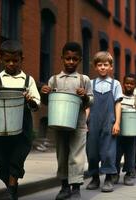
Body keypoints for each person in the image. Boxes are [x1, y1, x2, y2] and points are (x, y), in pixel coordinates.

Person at [0, 40, 41, 200]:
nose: (11, 64)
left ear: (22, 59)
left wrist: (30, 100)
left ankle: (12, 191)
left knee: (16, 158)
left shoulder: (28, 80)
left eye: (15, 60)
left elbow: (37, 103)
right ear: (1, 59)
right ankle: (11, 184)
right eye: (7, 61)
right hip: (0, 128)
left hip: (22, 128)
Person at [41, 42, 93, 200]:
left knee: (76, 156)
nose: (71, 62)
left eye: (75, 59)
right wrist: (44, 93)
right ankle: (64, 187)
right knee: (62, 155)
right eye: (68, 58)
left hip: (78, 124)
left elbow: (91, 101)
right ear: (62, 58)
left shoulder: (84, 80)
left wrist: (84, 95)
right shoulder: (54, 80)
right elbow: (47, 102)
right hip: (59, 124)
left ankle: (76, 187)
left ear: (80, 60)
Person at [86, 51, 123, 193]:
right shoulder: (90, 83)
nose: (102, 67)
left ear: (111, 67)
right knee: (92, 151)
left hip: (109, 121)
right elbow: (88, 105)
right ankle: (95, 177)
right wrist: (85, 121)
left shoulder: (115, 84)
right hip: (93, 122)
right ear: (95, 67)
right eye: (99, 65)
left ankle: (108, 178)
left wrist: (117, 123)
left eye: (105, 65)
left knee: (108, 152)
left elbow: (118, 104)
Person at [112, 74, 136, 186]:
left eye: (131, 84)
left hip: (132, 132)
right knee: (116, 154)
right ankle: (115, 173)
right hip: (119, 131)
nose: (129, 85)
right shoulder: (119, 96)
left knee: (130, 154)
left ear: (135, 85)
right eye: (127, 83)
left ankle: (128, 174)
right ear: (123, 84)